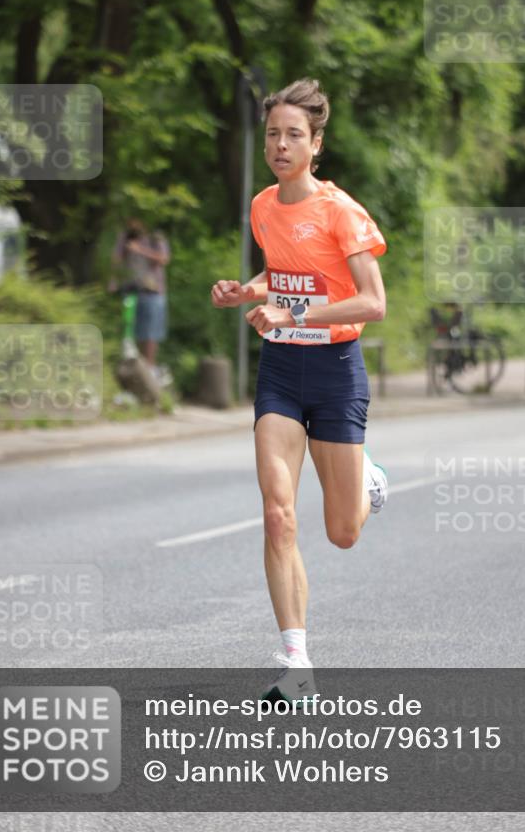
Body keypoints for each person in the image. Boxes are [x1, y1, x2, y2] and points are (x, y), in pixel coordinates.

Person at [211, 78, 388, 704]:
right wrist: (249, 291)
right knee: (277, 513)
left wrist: (294, 313)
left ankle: (367, 481)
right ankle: (296, 661)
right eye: (272, 135)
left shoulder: (342, 212)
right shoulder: (263, 207)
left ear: (316, 144)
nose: (280, 145)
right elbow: (281, 274)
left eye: (293, 135)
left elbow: (373, 302)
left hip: (336, 371)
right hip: (282, 372)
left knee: (342, 532)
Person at [109, 218, 170, 370]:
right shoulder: (125, 237)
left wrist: (140, 250)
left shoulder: (155, 237)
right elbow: (116, 259)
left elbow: (163, 259)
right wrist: (113, 281)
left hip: (152, 292)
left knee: (150, 333)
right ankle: (133, 366)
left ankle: (149, 367)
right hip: (130, 290)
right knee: (130, 329)